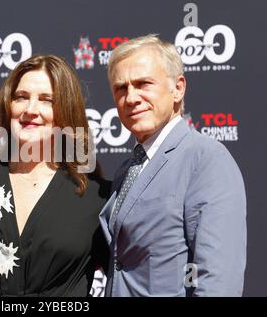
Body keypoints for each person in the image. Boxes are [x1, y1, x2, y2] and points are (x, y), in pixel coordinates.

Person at [99, 34, 247, 296]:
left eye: (143, 83)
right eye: (121, 88)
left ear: (178, 88)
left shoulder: (206, 160)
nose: (131, 97)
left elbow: (218, 282)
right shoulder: (127, 169)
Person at [0, 54, 110, 297]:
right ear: (9, 105)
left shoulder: (96, 198)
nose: (30, 110)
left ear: (67, 111)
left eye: (47, 100)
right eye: (21, 97)